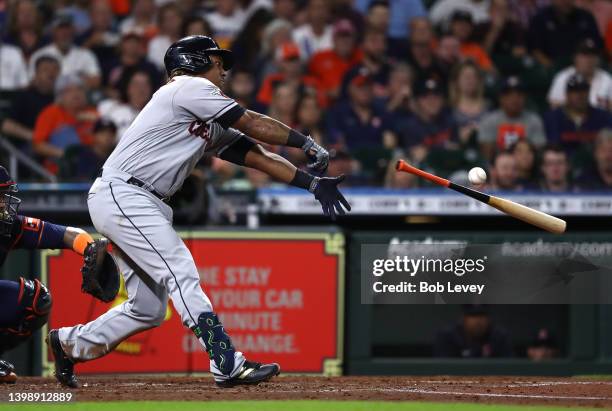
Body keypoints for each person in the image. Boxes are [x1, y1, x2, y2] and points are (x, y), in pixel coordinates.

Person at [47, 35, 350, 389]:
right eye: (215, 59)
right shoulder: (185, 87)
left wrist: (310, 182)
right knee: (180, 270)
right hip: (125, 193)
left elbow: (256, 155)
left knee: (147, 308)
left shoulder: (203, 110)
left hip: (138, 200)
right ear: (192, 61)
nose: (222, 68)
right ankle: (226, 361)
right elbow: (250, 121)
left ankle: (70, 342)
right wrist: (305, 142)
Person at [0, 166, 94, 383]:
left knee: (36, 300)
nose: (4, 203)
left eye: (4, 196)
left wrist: (91, 250)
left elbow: (67, 235)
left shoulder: (9, 226)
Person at [477, 76, 546, 160]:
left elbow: (538, 154)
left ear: (525, 98)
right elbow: (487, 156)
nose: (514, 98)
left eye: (519, 94)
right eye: (508, 94)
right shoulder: (489, 121)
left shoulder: (534, 120)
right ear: (501, 98)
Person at [29, 13, 101, 90]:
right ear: (53, 31)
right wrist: (79, 78)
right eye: (61, 29)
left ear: (73, 30)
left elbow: (96, 81)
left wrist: (52, 79)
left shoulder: (86, 55)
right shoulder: (40, 54)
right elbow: (32, 82)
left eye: (67, 28)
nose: (64, 33)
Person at [1, 56, 60, 149]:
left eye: (55, 70)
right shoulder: (24, 96)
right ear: (36, 74)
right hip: (30, 146)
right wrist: (36, 137)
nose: (51, 74)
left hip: (59, 142)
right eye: (46, 69)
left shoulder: (62, 97)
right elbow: (7, 126)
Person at [544, 74, 612, 154]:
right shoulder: (553, 117)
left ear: (588, 92)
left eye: (583, 91)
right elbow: (552, 146)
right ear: (567, 94)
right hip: (562, 163)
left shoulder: (603, 117)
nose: (580, 95)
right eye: (575, 92)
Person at [528, 0, 603, 68]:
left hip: (585, 68)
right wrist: (552, 68)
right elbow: (536, 51)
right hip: (552, 70)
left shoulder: (586, 17)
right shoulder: (540, 19)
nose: (565, 1)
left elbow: (597, 46)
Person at [548, 38, 612, 110]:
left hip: (601, 120)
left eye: (593, 55)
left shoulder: (607, 79)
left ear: (598, 59)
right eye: (585, 55)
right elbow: (554, 106)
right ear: (575, 57)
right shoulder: (563, 77)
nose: (589, 60)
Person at [308, 19, 363, 102]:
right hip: (326, 107)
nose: (344, 41)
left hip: (355, 104)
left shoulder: (361, 57)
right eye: (340, 36)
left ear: (354, 40)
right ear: (333, 39)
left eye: (348, 36)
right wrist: (326, 92)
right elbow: (310, 84)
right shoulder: (319, 58)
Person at [434, 304, 513, 358]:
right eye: (473, 316)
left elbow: (510, 368)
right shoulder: (448, 336)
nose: (478, 321)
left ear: (488, 319)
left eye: (482, 315)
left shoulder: (499, 336)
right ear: (463, 318)